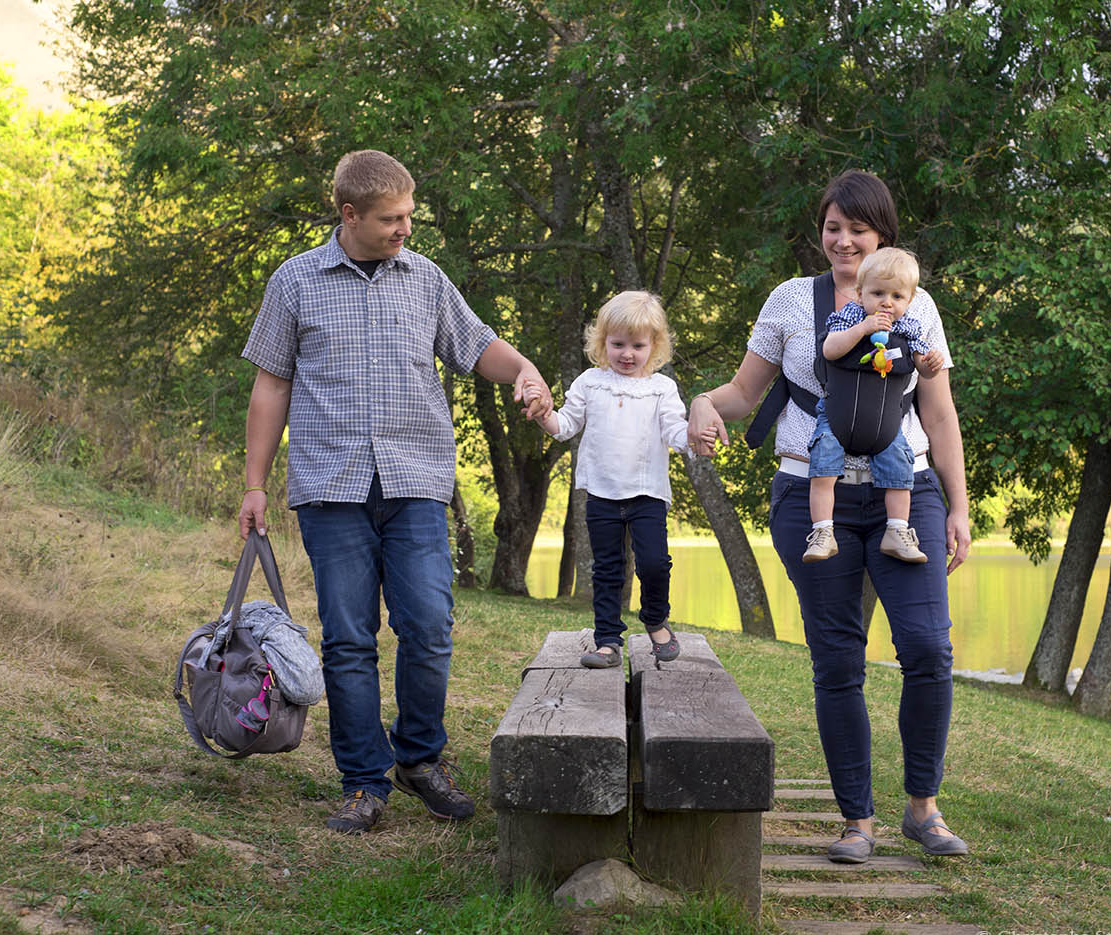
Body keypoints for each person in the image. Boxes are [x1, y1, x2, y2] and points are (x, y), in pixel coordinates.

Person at [237, 149, 552, 835]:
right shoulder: (295, 282)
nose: (405, 228)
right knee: (349, 639)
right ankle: (362, 782)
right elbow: (272, 385)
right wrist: (255, 483)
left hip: (415, 482)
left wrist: (524, 368)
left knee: (429, 626)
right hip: (331, 486)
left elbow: (478, 346)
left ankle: (420, 759)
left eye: (409, 215)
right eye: (391, 219)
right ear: (349, 216)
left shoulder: (426, 279)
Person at [688, 170, 971, 862]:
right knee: (838, 659)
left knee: (928, 648)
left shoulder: (916, 303)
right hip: (811, 496)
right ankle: (857, 820)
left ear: (884, 236)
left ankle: (923, 809)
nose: (842, 240)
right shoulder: (791, 301)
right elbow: (745, 392)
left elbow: (937, 410)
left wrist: (959, 504)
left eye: (857, 228)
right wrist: (701, 403)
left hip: (907, 494)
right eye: (832, 226)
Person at [535, 291, 702, 668]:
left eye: (638, 345)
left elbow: (675, 431)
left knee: (655, 563)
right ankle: (607, 640)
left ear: (654, 346)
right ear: (602, 343)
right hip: (602, 494)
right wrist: (543, 414)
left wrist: (696, 437)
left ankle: (656, 621)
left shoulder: (662, 388)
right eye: (618, 344)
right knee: (608, 569)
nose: (627, 353)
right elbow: (564, 426)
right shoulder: (591, 383)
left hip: (647, 494)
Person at [804, 247, 943, 564]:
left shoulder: (908, 329)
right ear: (860, 292)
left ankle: (897, 531)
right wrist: (864, 329)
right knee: (823, 464)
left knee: (898, 467)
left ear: (909, 302)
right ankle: (823, 532)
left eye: (897, 296)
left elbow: (920, 365)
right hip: (838, 417)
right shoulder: (849, 317)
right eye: (878, 293)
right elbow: (830, 349)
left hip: (886, 422)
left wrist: (930, 364)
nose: (887, 302)